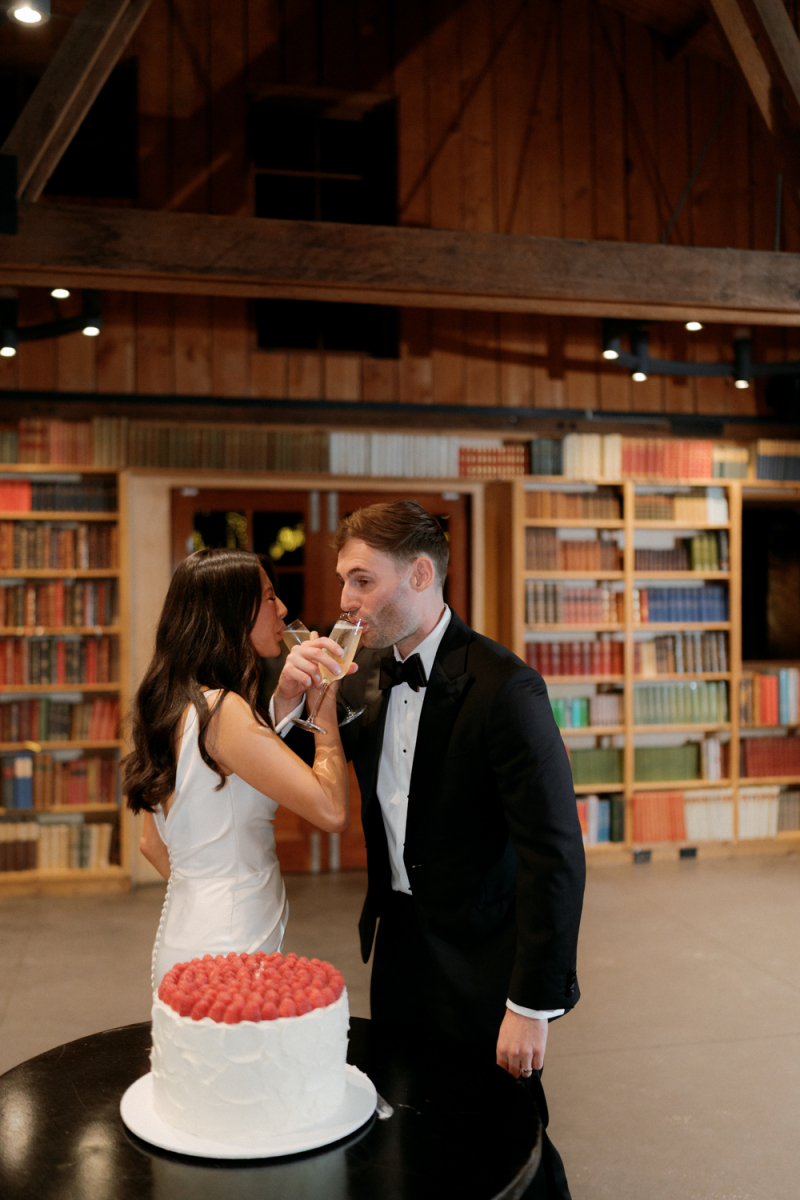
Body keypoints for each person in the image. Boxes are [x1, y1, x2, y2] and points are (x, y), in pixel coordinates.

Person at [273, 501, 585, 1200]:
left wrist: (532, 1004)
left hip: (484, 960)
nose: (345, 602)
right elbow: (291, 771)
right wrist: (290, 700)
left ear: (419, 572)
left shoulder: (508, 690)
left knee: (510, 1133)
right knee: (413, 1122)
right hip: (401, 948)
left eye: (361, 581)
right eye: (344, 583)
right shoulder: (362, 675)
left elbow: (554, 856)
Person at [124, 548, 351, 989]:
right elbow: (331, 810)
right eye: (269, 597)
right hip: (232, 949)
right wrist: (323, 707)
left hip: (188, 936)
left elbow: (154, 844)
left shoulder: (174, 705)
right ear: (231, 613)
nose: (283, 608)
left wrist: (284, 702)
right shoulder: (223, 712)